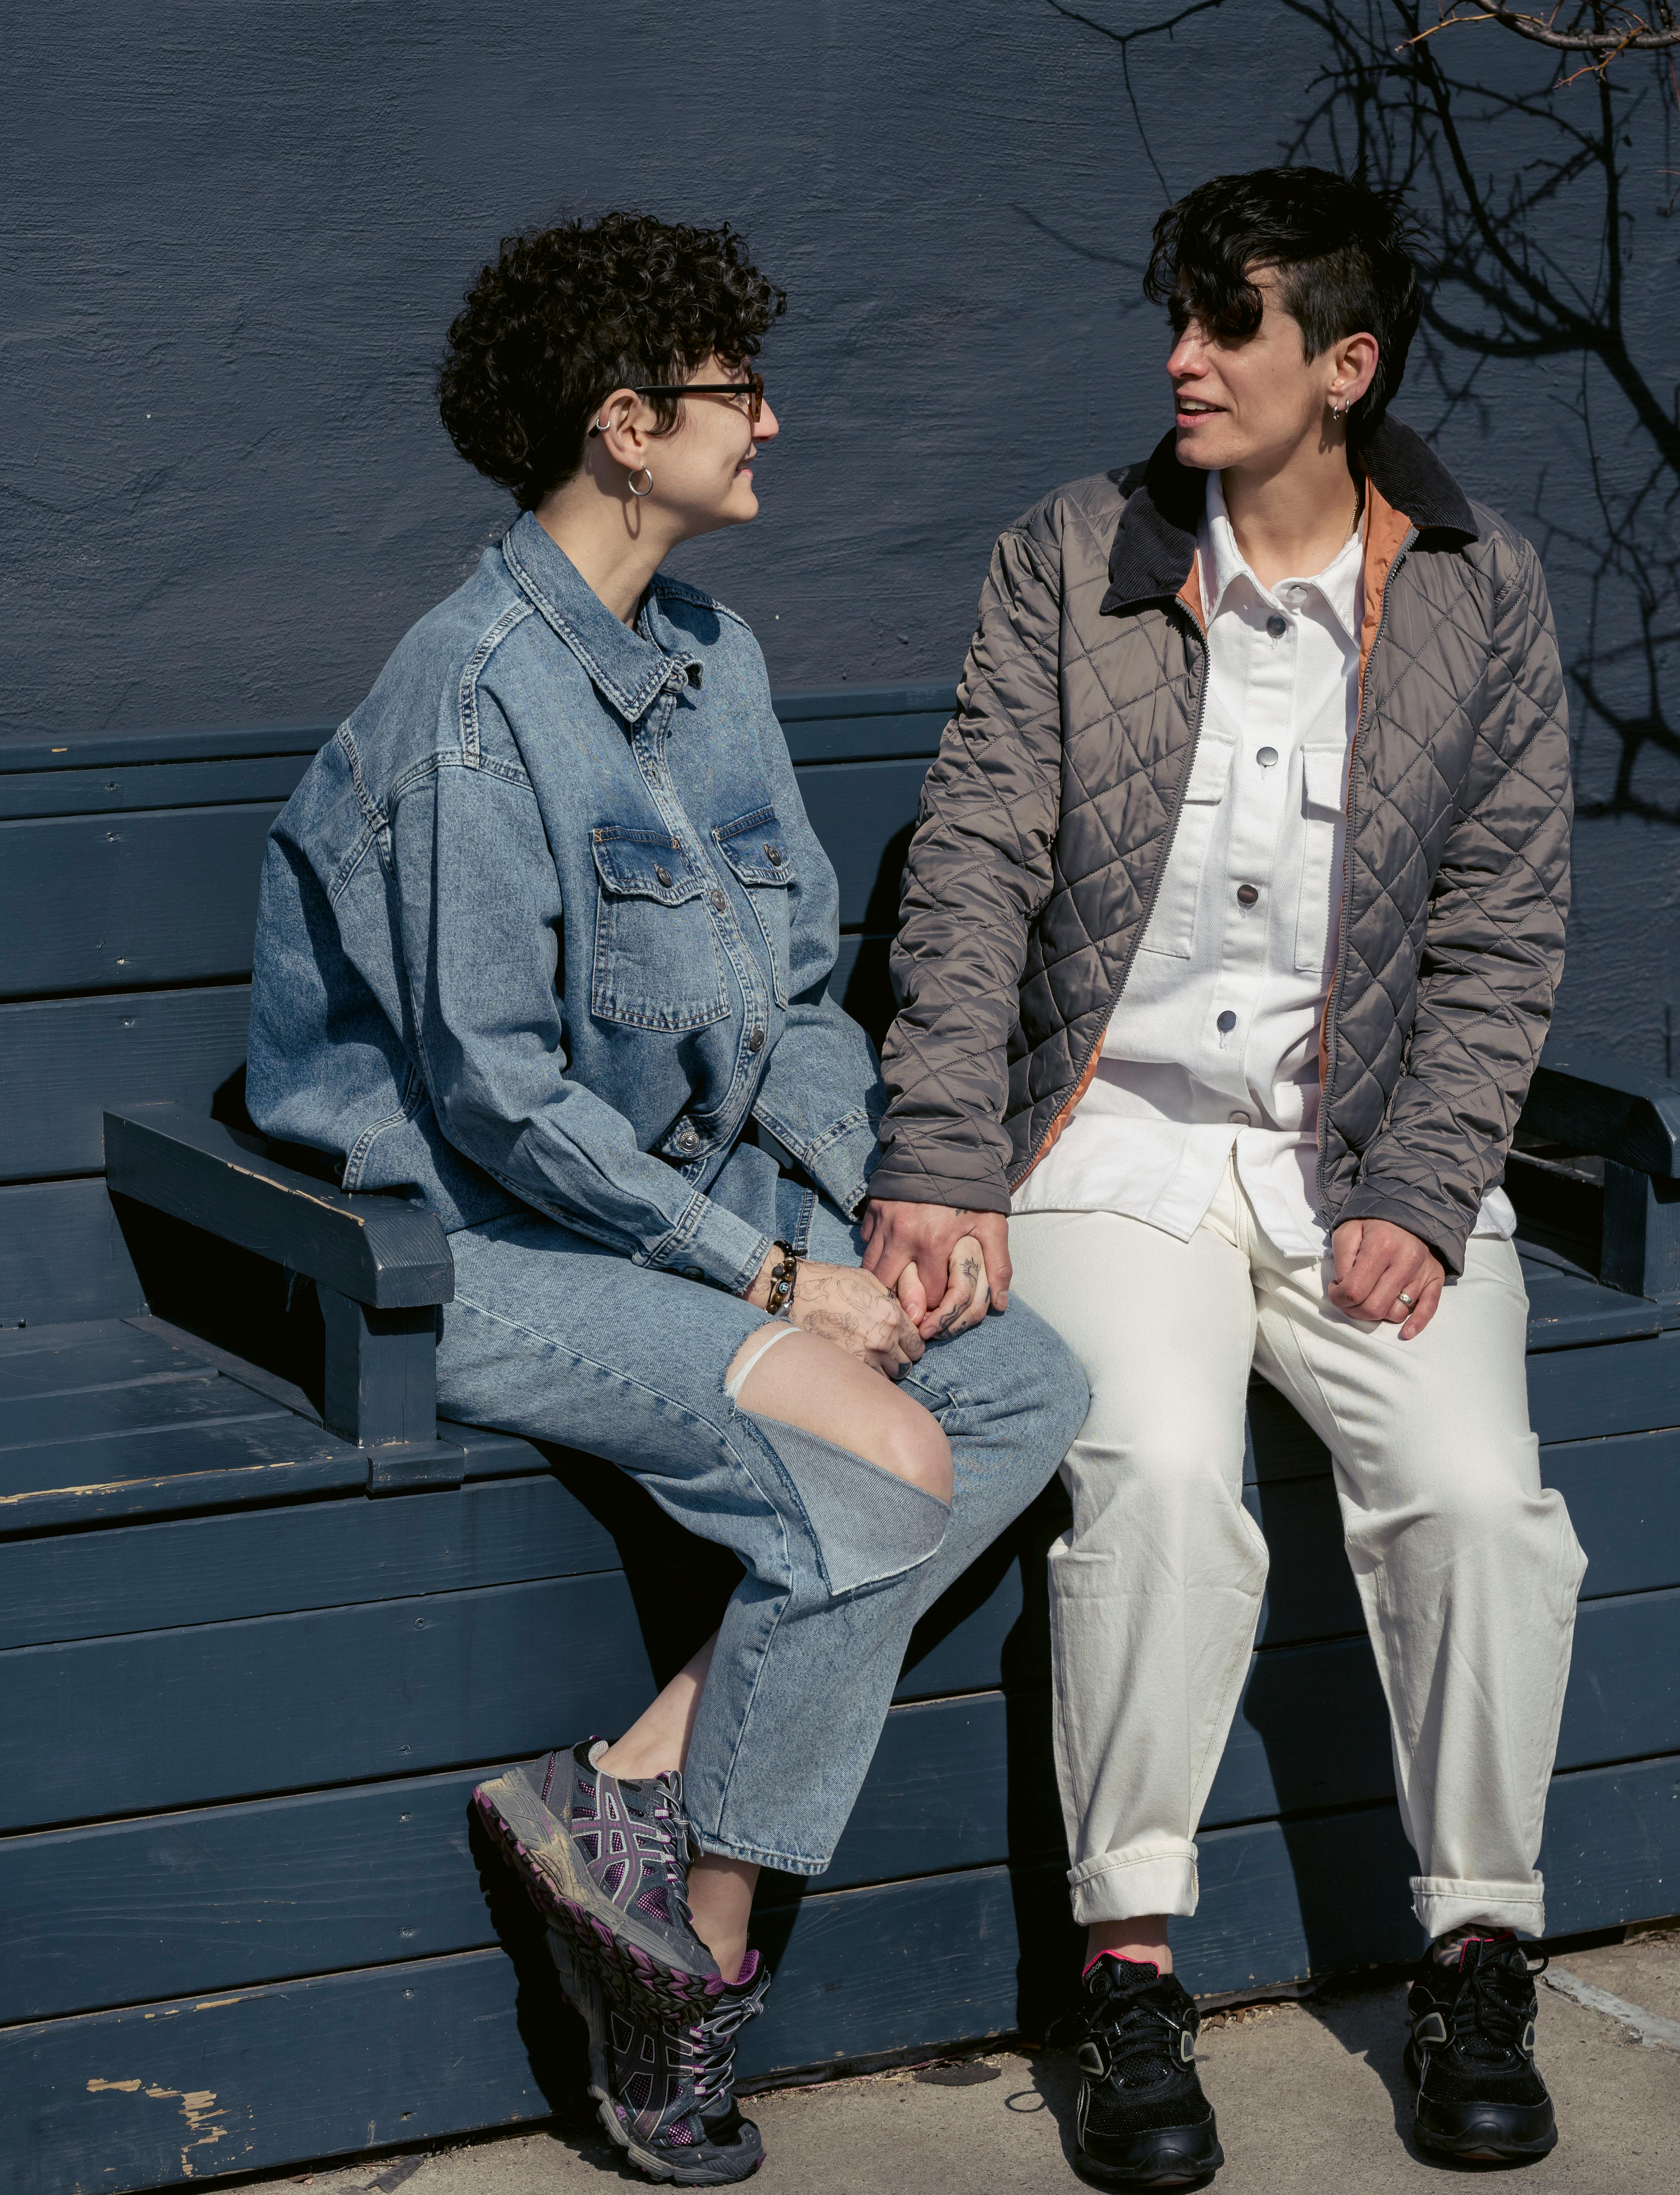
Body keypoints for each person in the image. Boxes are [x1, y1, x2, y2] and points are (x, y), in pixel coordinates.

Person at [247, 212, 1087, 2189]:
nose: (770, 422)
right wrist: (776, 1275)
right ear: (628, 427)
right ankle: (684, 1986)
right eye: (734, 395)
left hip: (687, 1211)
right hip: (482, 1248)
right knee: (883, 1454)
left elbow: (793, 991)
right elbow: (500, 1102)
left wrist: (890, 1202)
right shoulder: (466, 703)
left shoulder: (714, 661)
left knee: (1023, 1387)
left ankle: (618, 1785)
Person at [862, 168, 1583, 2183]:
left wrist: (1425, 1190)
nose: (1182, 357)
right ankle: (1130, 1979)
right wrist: (944, 1159)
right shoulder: (1070, 557)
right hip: (1118, 1143)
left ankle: (1474, 1953)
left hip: (1365, 1159)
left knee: (1473, 1505)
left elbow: (1503, 930)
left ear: (1342, 369)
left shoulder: (1477, 588)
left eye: (1231, 326)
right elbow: (977, 874)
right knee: (1164, 1484)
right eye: (1178, 316)